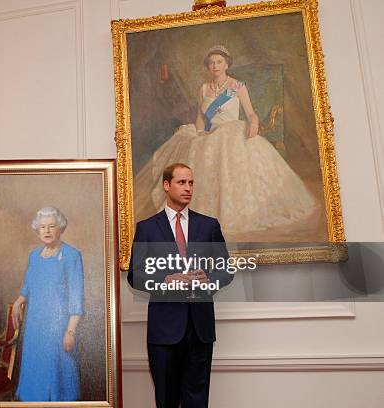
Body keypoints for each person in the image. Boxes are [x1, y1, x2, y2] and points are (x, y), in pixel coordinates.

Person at [134, 45, 317, 238]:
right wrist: (198, 133)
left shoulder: (237, 86)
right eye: (211, 62)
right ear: (208, 66)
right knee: (194, 148)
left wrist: (254, 123)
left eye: (219, 62)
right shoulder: (204, 88)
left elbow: (251, 113)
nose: (215, 66)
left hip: (231, 132)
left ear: (227, 64)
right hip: (209, 134)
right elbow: (200, 117)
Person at [128, 163, 234, 408]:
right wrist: (164, 280)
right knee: (166, 400)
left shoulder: (209, 226)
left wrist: (210, 280)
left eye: (191, 183)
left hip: (200, 329)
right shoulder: (147, 228)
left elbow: (226, 270)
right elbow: (136, 274)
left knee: (197, 400)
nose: (188, 188)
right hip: (164, 330)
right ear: (167, 186)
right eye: (182, 182)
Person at [11, 207, 84, 401]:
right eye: (43, 227)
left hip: (57, 330)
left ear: (60, 228)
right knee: (34, 382)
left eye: (52, 226)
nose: (47, 231)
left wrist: (70, 331)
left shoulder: (72, 255)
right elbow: (28, 287)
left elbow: (77, 298)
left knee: (55, 383)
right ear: (37, 229)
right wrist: (19, 301)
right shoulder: (34, 257)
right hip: (34, 329)